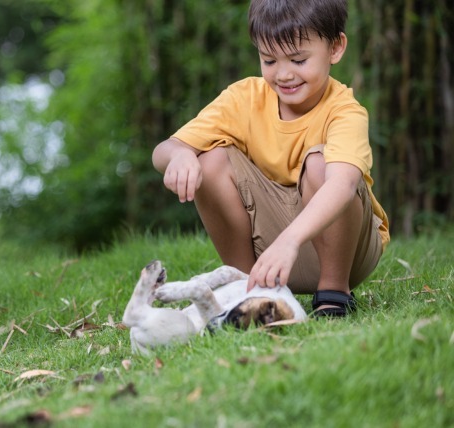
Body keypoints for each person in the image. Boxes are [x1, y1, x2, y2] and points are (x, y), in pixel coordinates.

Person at [152, 0, 390, 317]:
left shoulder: (344, 111)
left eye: (298, 59)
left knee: (320, 164)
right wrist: (180, 155)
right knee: (207, 159)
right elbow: (163, 151)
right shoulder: (244, 99)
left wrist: (290, 240)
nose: (284, 74)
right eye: (269, 60)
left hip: (345, 249)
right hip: (271, 248)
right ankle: (247, 286)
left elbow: (344, 185)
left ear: (335, 48)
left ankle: (334, 292)